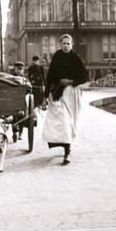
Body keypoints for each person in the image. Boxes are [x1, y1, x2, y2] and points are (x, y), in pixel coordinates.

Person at [42, 34, 88, 165]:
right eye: (63, 43)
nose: (66, 46)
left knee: (69, 122)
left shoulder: (75, 58)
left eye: (68, 43)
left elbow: (84, 77)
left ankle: (67, 149)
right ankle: (66, 149)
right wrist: (45, 96)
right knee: (60, 120)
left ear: (71, 45)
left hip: (71, 94)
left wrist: (71, 81)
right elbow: (50, 77)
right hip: (57, 93)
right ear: (60, 44)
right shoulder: (56, 57)